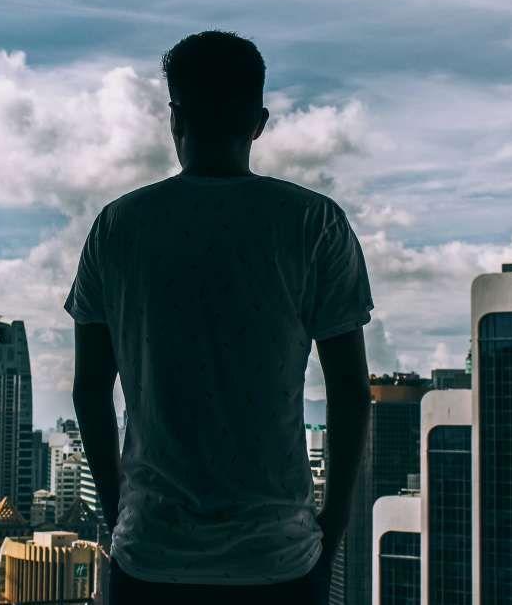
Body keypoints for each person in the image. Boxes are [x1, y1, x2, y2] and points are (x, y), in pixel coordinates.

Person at [64, 30, 374, 604]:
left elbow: (89, 391)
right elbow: (351, 390)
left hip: (151, 557)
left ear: (174, 117)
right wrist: (332, 530)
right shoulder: (315, 223)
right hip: (278, 559)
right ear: (259, 121)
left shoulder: (118, 226)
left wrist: (118, 518)